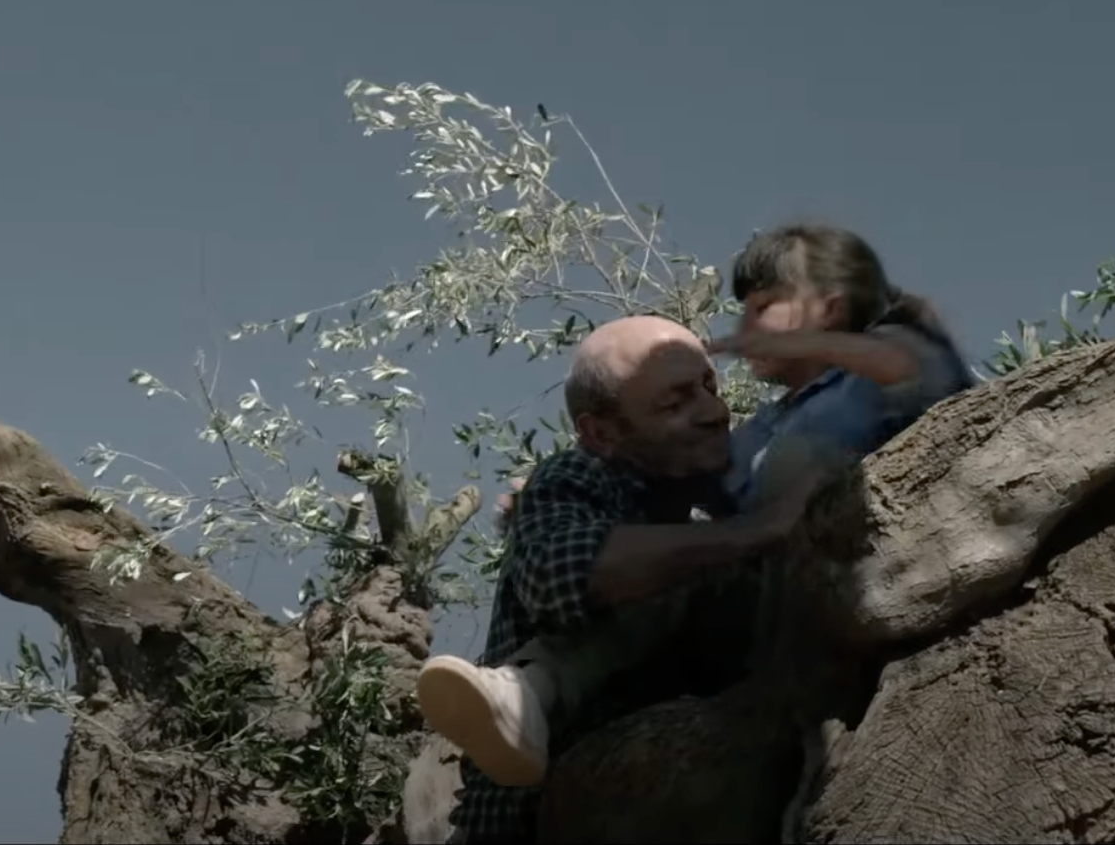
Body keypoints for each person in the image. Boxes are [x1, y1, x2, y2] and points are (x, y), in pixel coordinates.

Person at [415, 314, 849, 844]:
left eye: (710, 387)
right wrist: (759, 529)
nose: (714, 412)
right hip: (528, 819)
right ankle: (528, 691)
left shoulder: (711, 507)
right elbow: (563, 574)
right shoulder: (579, 476)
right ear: (602, 433)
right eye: (675, 403)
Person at [706, 223, 976, 518]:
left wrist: (796, 344)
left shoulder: (866, 385)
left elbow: (915, 368)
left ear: (830, 309)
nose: (744, 328)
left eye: (763, 307)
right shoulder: (760, 426)